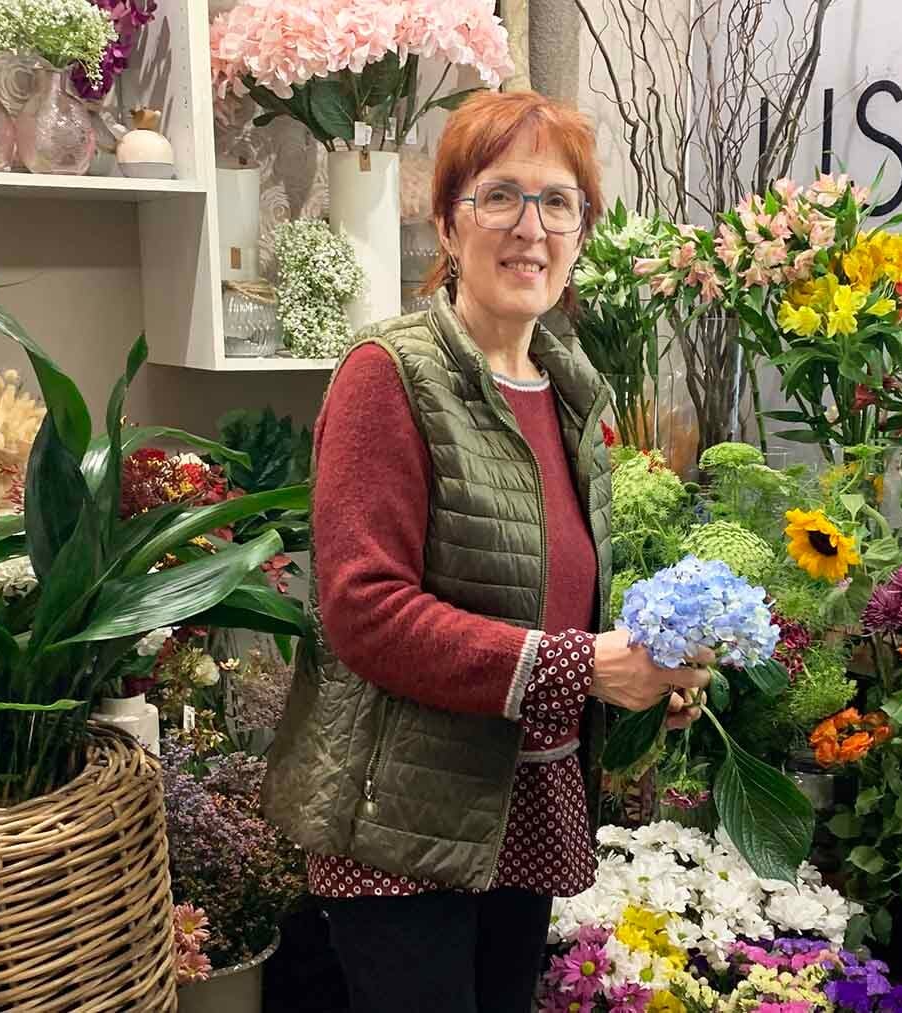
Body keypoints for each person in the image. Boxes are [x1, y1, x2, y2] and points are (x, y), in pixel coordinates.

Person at [262, 89, 709, 1013]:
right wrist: (584, 667)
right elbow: (365, 610)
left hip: (522, 802)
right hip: (402, 820)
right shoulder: (388, 375)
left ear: (582, 231)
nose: (530, 228)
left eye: (557, 202)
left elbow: (555, 595)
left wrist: (646, 681)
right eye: (500, 196)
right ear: (447, 222)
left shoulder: (572, 393)